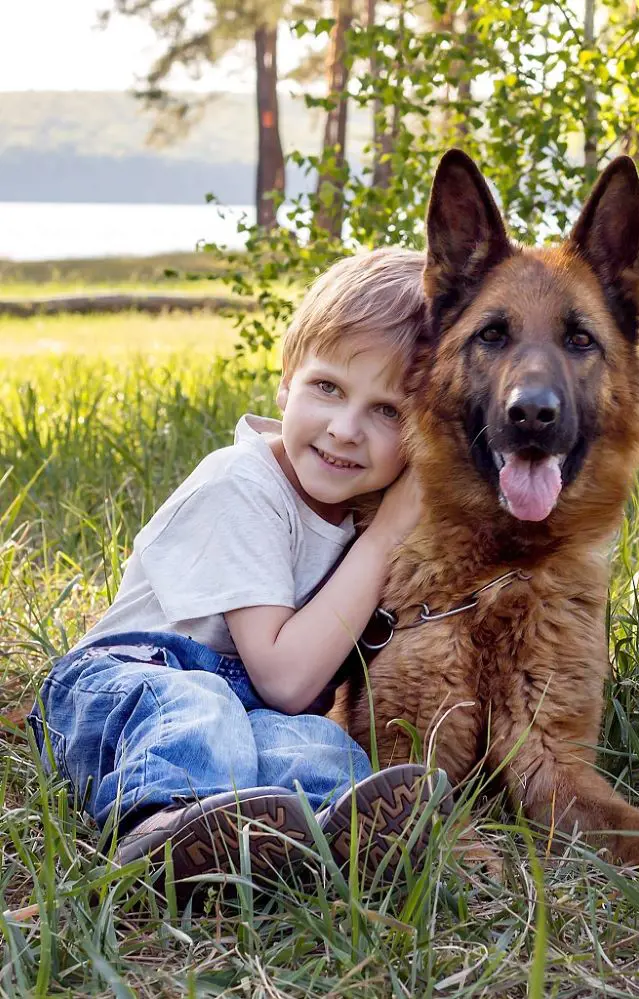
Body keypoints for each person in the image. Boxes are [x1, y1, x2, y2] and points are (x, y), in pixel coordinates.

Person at [28, 248, 452, 896]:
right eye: (328, 387)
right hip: (123, 690)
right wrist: (389, 533)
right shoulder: (242, 484)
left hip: (243, 708)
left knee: (307, 740)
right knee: (203, 709)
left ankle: (337, 839)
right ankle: (163, 828)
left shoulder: (358, 512)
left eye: (387, 410)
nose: (344, 428)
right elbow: (284, 676)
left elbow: (286, 706)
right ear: (286, 381)